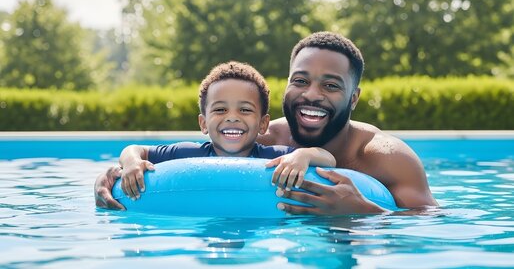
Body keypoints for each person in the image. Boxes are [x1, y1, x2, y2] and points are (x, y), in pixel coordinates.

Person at [95, 32, 438, 214]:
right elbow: (201, 161)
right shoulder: (266, 134)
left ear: (353, 98)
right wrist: (115, 172)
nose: (311, 95)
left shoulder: (387, 157)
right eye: (300, 81)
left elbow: (432, 225)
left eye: (331, 85)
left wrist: (363, 211)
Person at [113, 61, 336, 201]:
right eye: (220, 109)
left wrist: (303, 155)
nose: (232, 116)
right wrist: (132, 162)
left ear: (263, 124)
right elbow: (135, 149)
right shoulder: (189, 154)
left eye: (245, 109)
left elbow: (329, 159)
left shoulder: (273, 157)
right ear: (203, 123)